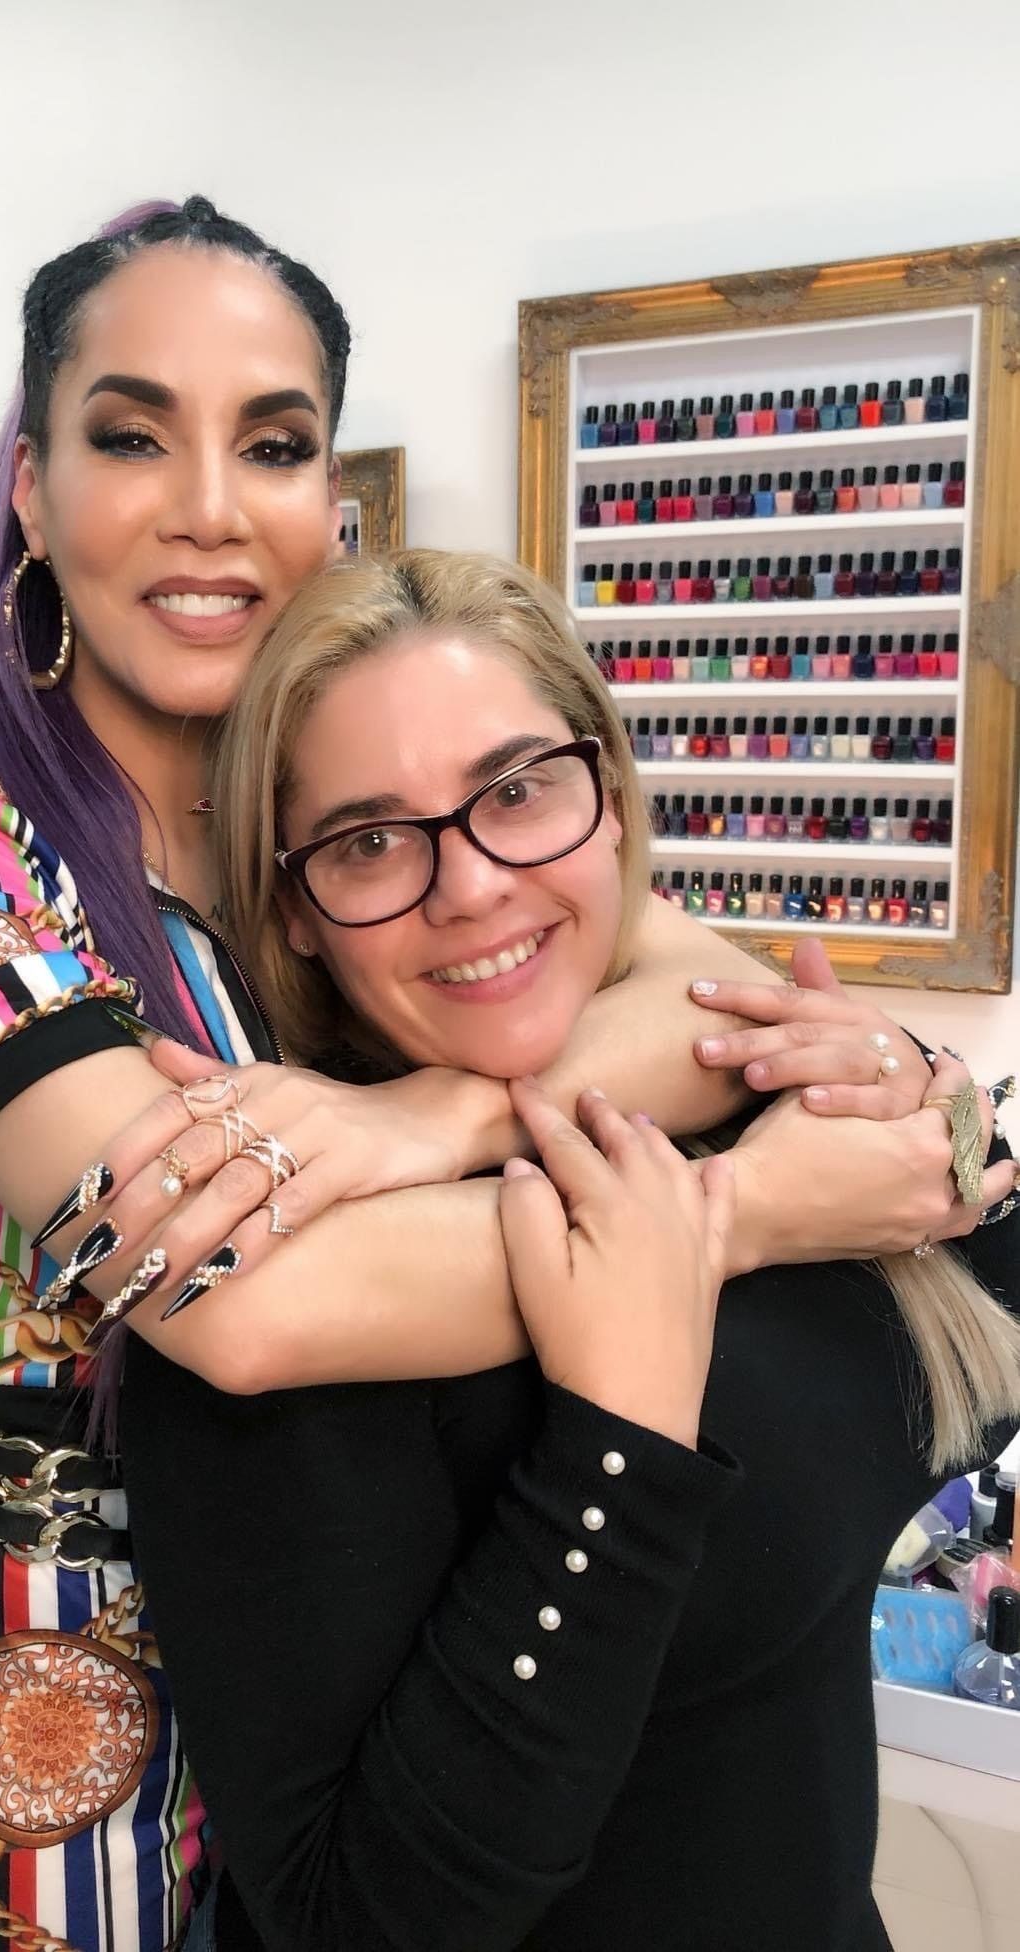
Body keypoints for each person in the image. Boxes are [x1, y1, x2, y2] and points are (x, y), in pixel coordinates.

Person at [0, 200, 988, 1952]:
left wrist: (442, 1108)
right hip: (22, 1708)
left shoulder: (333, 807)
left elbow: (681, 979)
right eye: (132, 436)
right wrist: (733, 1213)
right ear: (28, 489)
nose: (209, 506)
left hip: (353, 1655)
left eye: (271, 444)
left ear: (329, 499)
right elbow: (245, 1300)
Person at [115, 550, 1020, 1952]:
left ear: (607, 794)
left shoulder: (742, 1116)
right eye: (369, 841)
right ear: (292, 904)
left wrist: (930, 1101)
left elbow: (983, 1302)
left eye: (520, 790)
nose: (470, 885)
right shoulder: (300, 1283)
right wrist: (618, 1441)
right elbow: (363, 1922)